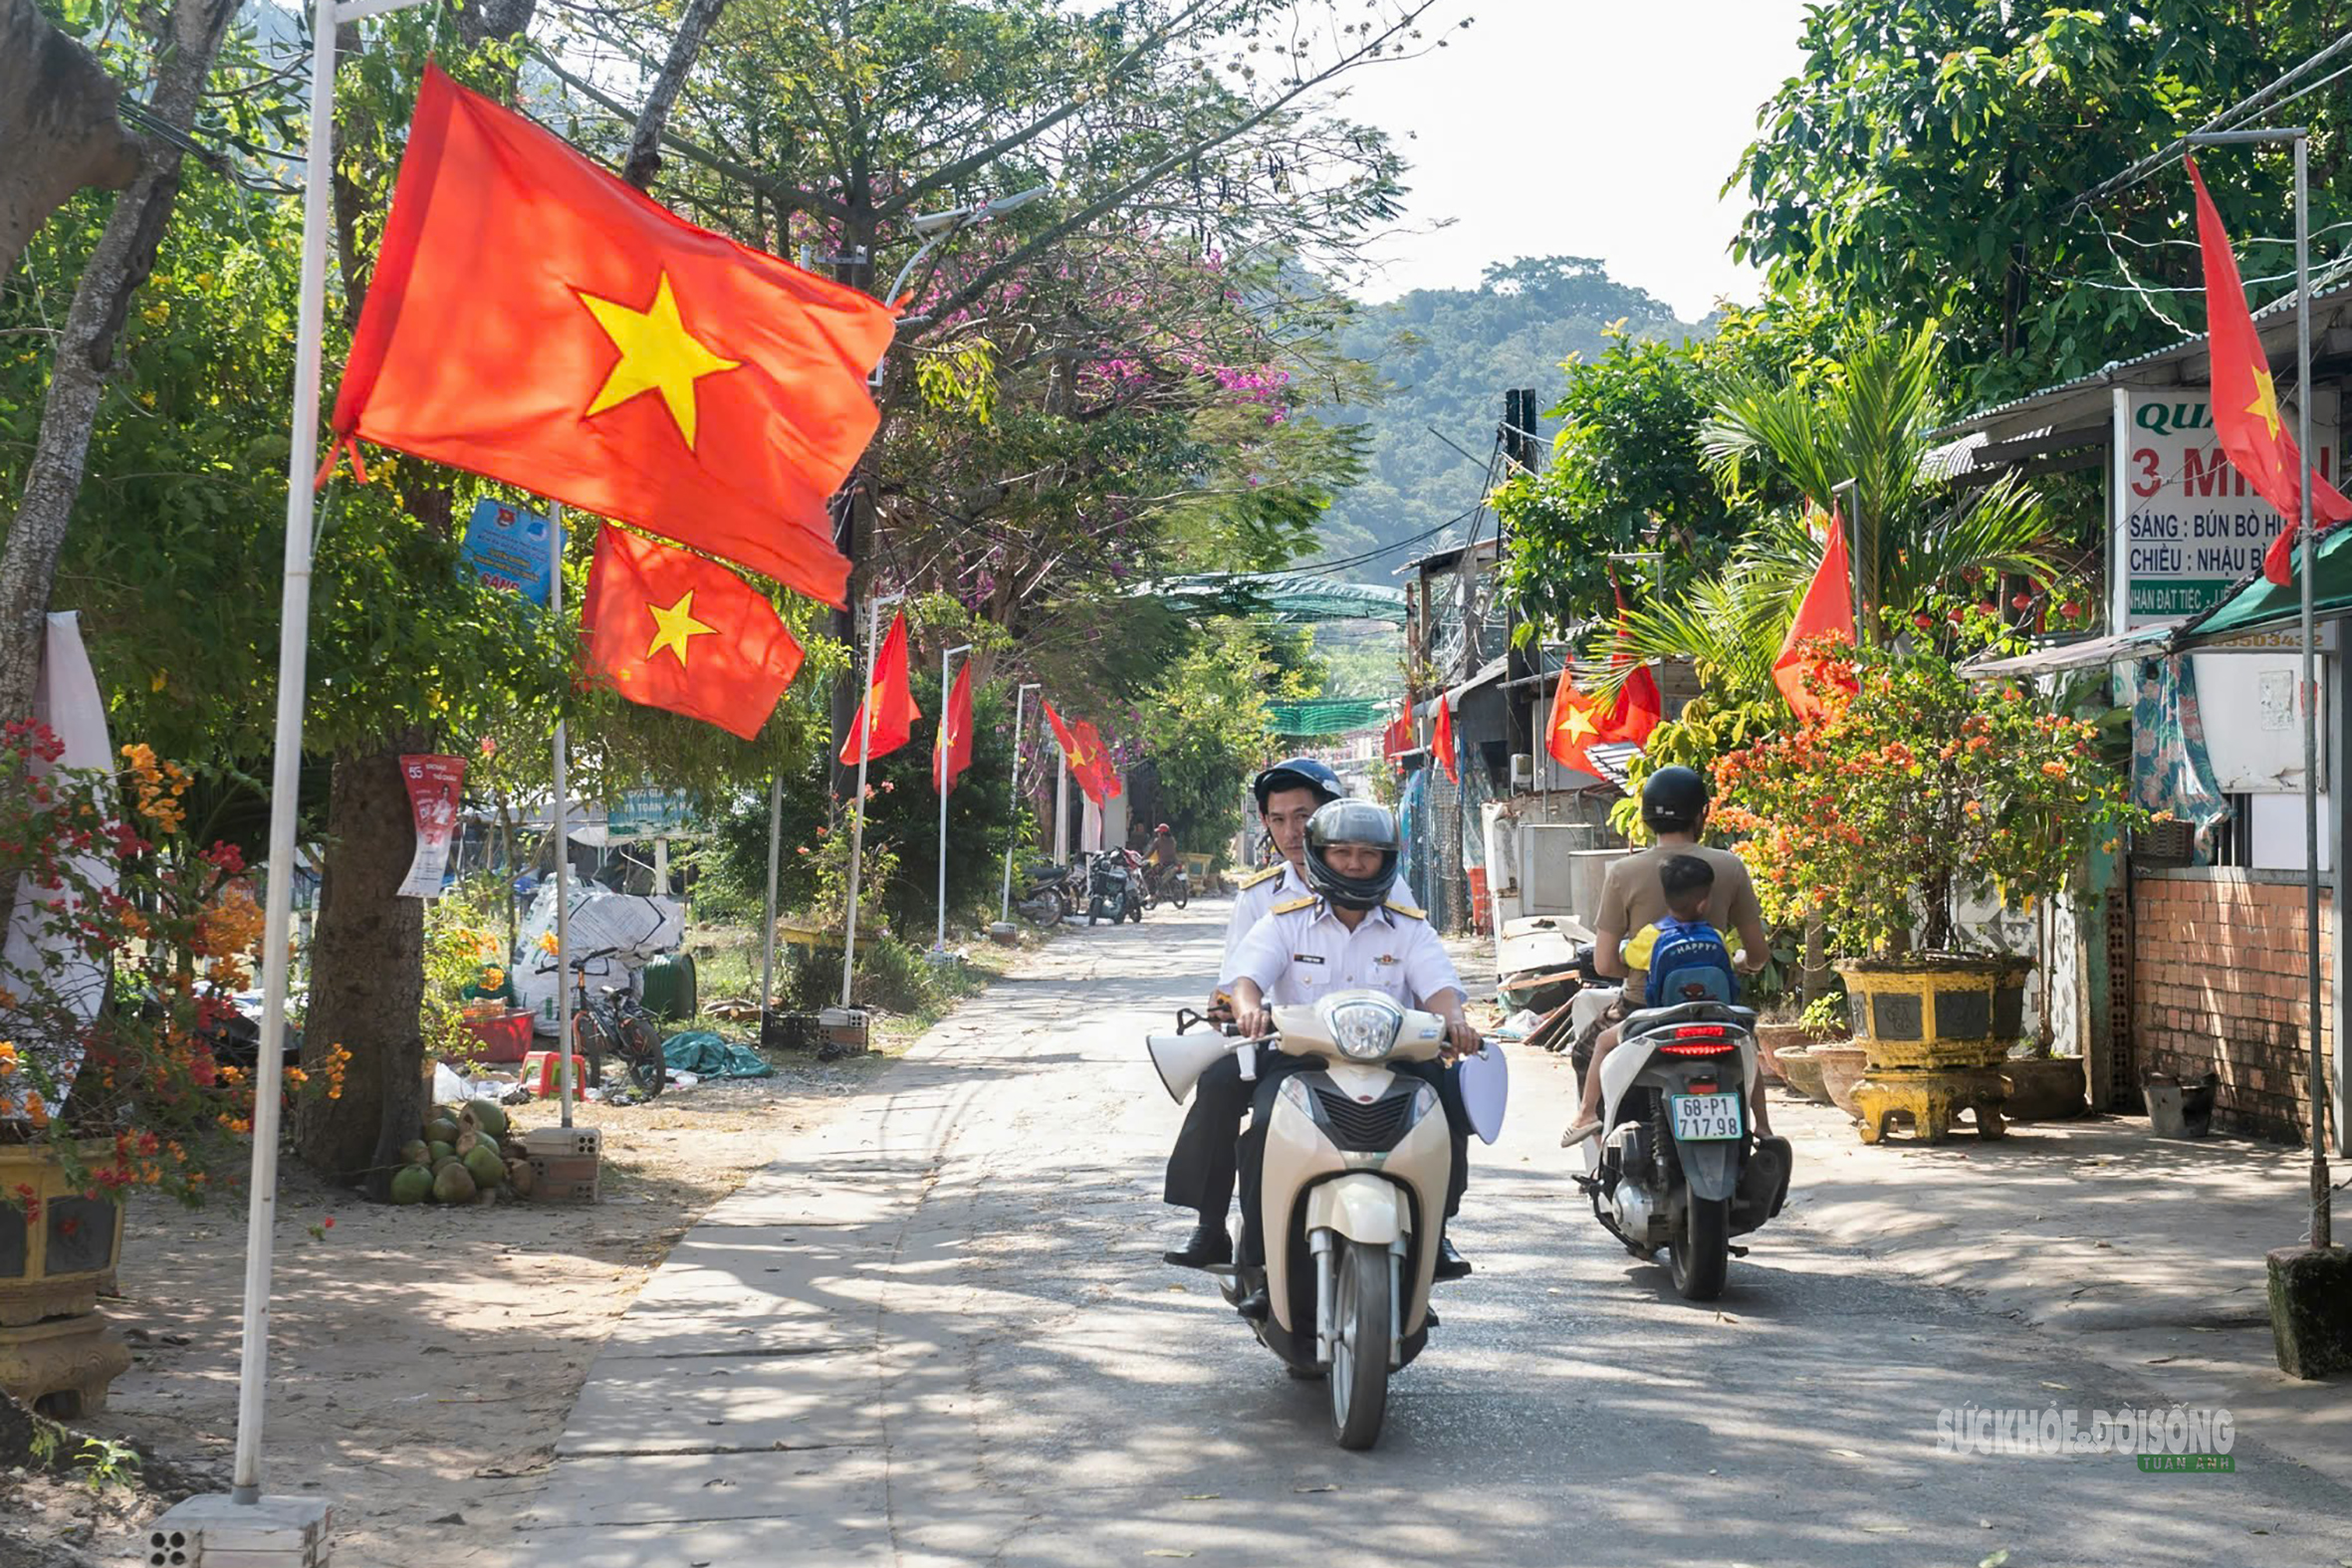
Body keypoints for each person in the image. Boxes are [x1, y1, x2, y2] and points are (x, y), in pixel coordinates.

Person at [1225, 799, 1481, 1313]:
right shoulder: (1284, 923)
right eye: (1341, 852)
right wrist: (1250, 1010)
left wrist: (1455, 1021)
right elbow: (1245, 980)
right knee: (1262, 1133)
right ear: (1321, 855)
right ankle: (1259, 1265)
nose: (1355, 864)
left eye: (1368, 854)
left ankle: (1436, 1235)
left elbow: (1440, 988)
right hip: (1304, 1062)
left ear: (1387, 861)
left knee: (1451, 1113)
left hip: (1397, 1062)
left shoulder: (1409, 928)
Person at [1159, 758, 1342, 1267]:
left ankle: (1430, 1230)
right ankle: (1211, 1224)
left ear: (1332, 813)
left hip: (1363, 1041)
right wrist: (1237, 1012)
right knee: (1217, 1087)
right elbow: (1232, 984)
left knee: (1441, 1094)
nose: (1291, 831)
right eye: (1278, 819)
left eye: (1303, 816)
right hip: (1278, 1043)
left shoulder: (1381, 883)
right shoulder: (1260, 896)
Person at [1561, 766, 1772, 1147]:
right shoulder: (1729, 866)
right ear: (1701, 814)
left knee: (1584, 1052)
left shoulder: (1625, 872)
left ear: (1646, 819)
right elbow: (1758, 954)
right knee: (1748, 1050)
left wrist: (1642, 964)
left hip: (1643, 1009)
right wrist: (1738, 963)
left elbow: (1606, 964)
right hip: (1717, 1010)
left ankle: (1596, 1137)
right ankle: (1764, 1128)